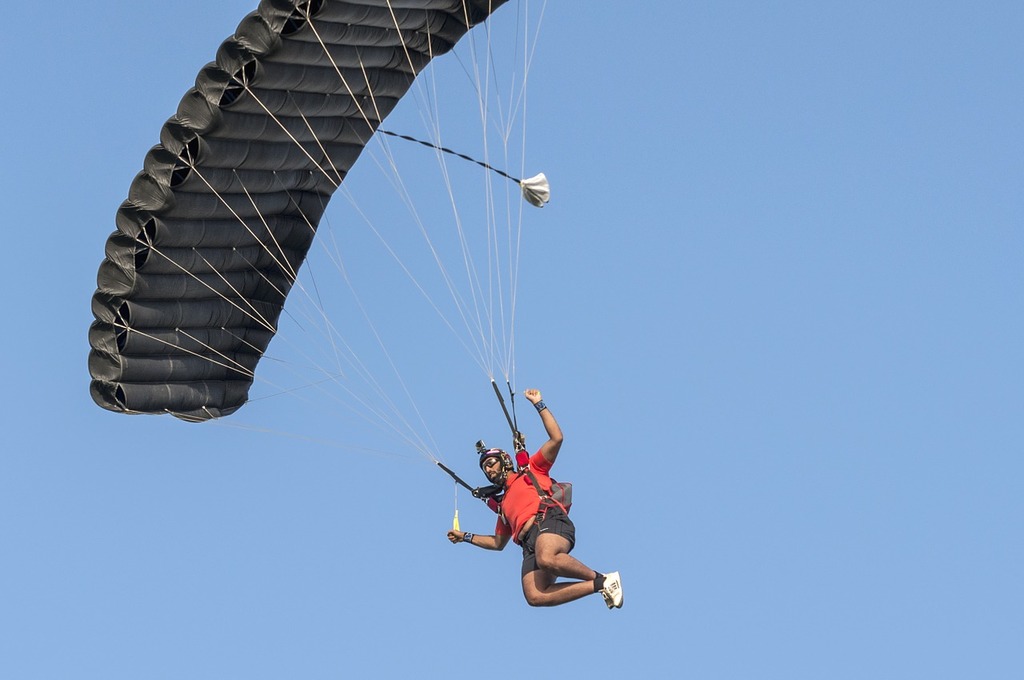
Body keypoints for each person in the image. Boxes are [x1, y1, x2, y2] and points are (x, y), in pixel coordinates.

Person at [446, 389, 623, 609]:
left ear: (505, 461)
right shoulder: (503, 506)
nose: (489, 470)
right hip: (528, 543)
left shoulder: (531, 470)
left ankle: (604, 579)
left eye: (491, 463)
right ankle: (601, 584)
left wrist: (538, 403)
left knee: (547, 558)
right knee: (536, 596)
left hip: (548, 520)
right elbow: (497, 543)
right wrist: (464, 536)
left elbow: (557, 438)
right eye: (485, 469)